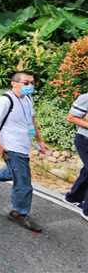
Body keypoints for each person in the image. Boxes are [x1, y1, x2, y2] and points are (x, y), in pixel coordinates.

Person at [0, 71, 49, 232]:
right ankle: (18, 213)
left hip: (24, 144)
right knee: (23, 182)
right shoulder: (5, 100)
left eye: (32, 83)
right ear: (14, 83)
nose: (30, 86)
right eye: (26, 83)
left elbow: (31, 120)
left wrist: (39, 141)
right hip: (11, 146)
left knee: (13, 173)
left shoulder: (28, 98)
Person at [65, 92, 88, 221]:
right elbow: (72, 118)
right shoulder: (86, 98)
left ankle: (73, 197)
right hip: (85, 140)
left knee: (87, 171)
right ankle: (87, 211)